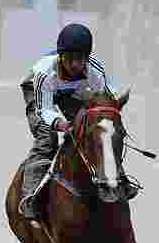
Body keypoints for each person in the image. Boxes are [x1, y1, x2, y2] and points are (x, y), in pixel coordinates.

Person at [19, 23, 139, 223]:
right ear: (61, 57)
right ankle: (30, 196)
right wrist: (60, 124)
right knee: (47, 140)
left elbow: (105, 100)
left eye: (81, 59)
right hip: (39, 94)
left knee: (99, 131)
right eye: (70, 59)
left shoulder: (94, 70)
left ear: (88, 57)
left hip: (71, 91)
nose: (76, 65)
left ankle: (120, 180)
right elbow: (44, 110)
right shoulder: (44, 73)